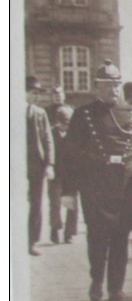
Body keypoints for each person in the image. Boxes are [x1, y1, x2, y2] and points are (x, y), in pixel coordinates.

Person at [60, 61, 132, 301]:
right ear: (96, 87)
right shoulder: (83, 115)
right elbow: (70, 155)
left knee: (120, 237)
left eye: (116, 84)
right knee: (96, 236)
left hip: (123, 184)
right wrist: (69, 191)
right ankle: (96, 280)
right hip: (94, 184)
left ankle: (116, 287)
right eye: (107, 85)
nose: (113, 90)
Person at [26, 76, 55, 256]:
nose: (35, 97)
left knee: (36, 205)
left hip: (36, 165)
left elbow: (47, 139)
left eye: (37, 93)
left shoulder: (39, 113)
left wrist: (49, 164)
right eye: (32, 92)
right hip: (15, 166)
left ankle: (32, 242)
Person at [48, 105, 78, 245]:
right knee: (55, 203)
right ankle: (55, 229)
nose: (67, 126)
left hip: (71, 174)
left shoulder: (75, 134)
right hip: (56, 174)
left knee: (70, 203)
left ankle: (69, 233)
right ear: (58, 121)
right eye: (64, 123)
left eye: (69, 123)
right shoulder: (51, 134)